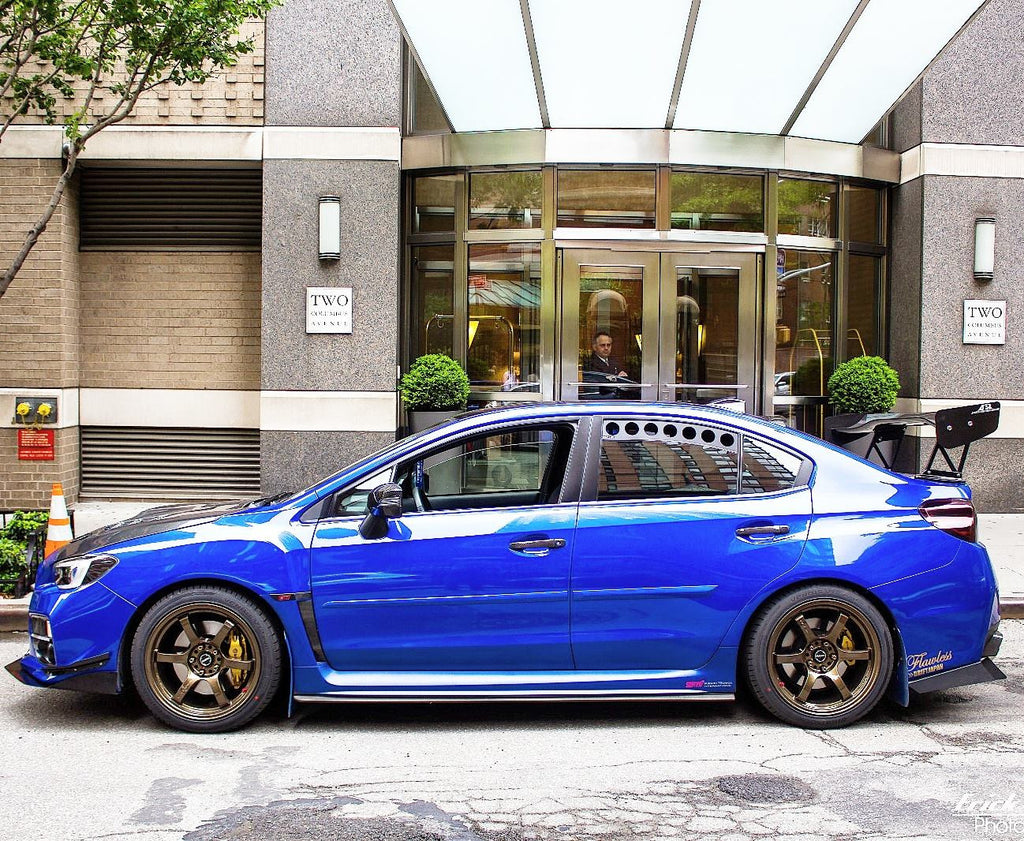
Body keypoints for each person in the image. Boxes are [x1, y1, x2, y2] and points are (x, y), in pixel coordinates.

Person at [583, 331, 632, 399]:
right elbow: (596, 387)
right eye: (602, 345)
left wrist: (623, 377)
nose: (606, 348)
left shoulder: (615, 362)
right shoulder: (589, 363)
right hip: (599, 401)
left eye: (608, 345)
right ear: (594, 347)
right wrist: (617, 381)